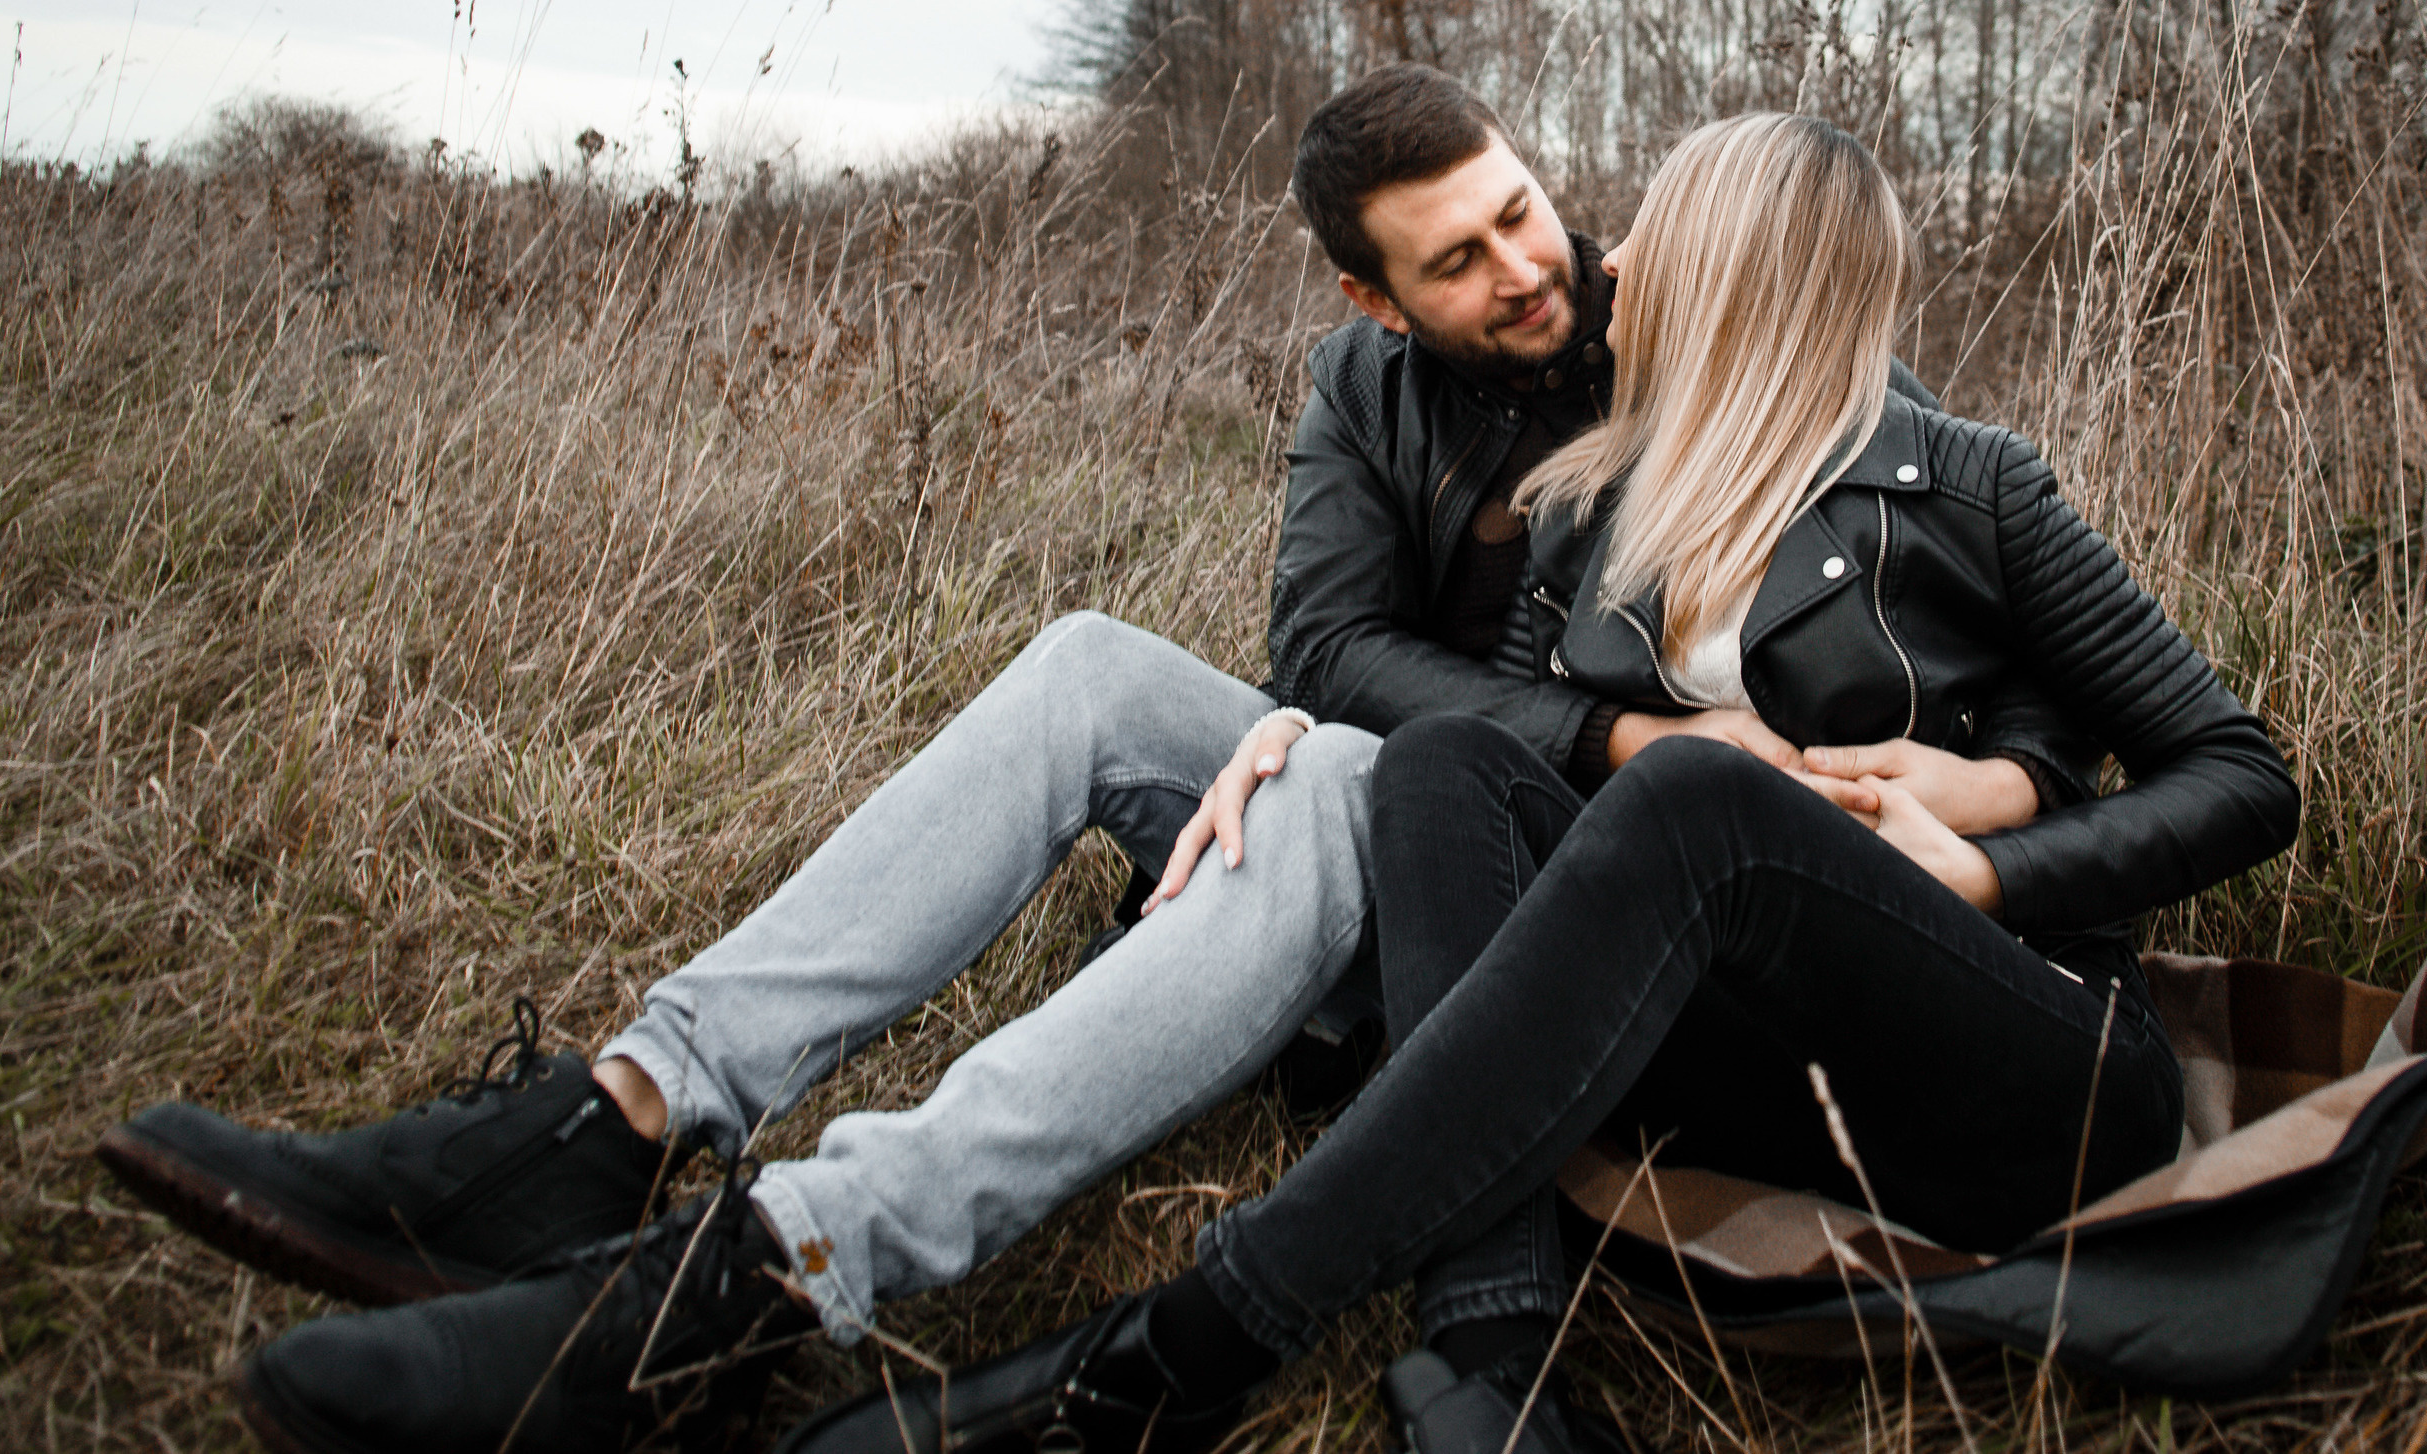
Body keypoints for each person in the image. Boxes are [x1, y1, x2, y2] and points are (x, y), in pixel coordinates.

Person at [104, 73, 2083, 1454]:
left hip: (1573, 882)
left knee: (1325, 778)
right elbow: (1324, 650)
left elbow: (1931, 665)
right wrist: (1377, 718)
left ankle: (782, 1269)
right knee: (1089, 674)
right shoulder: (1365, 390)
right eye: (1458, 261)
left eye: (1518, 210)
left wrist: (1491, 739)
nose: (1525, 268)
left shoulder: (1712, 339)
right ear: (1368, 298)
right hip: (1466, 775)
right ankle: (614, 1119)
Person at [772, 112, 2300, 1454]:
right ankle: (1494, 1355)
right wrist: (1300, 727)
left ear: (1739, 282)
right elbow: (1497, 729)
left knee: (1693, 802)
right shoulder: (1591, 503)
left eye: (1658, 234)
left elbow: (2241, 773)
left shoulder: (1974, 485)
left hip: (2020, 1067)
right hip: (1765, 1065)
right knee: (1443, 765)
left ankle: (1194, 1335)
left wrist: (1991, 855)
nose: (1610, 260)